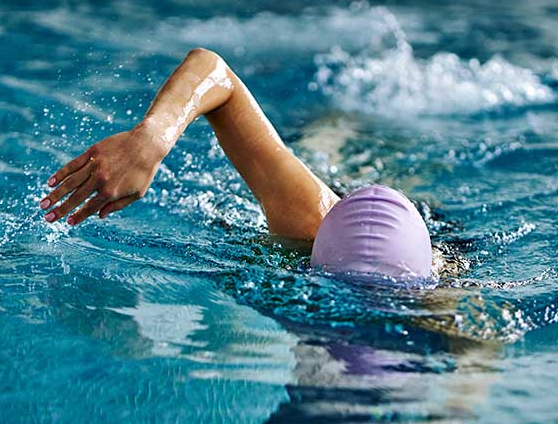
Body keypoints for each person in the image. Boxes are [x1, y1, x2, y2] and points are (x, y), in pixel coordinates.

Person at [41, 48, 434, 282]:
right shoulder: (309, 224)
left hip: (414, 234)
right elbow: (213, 71)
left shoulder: (445, 307)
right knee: (324, 145)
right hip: (333, 212)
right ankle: (341, 119)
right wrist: (153, 137)